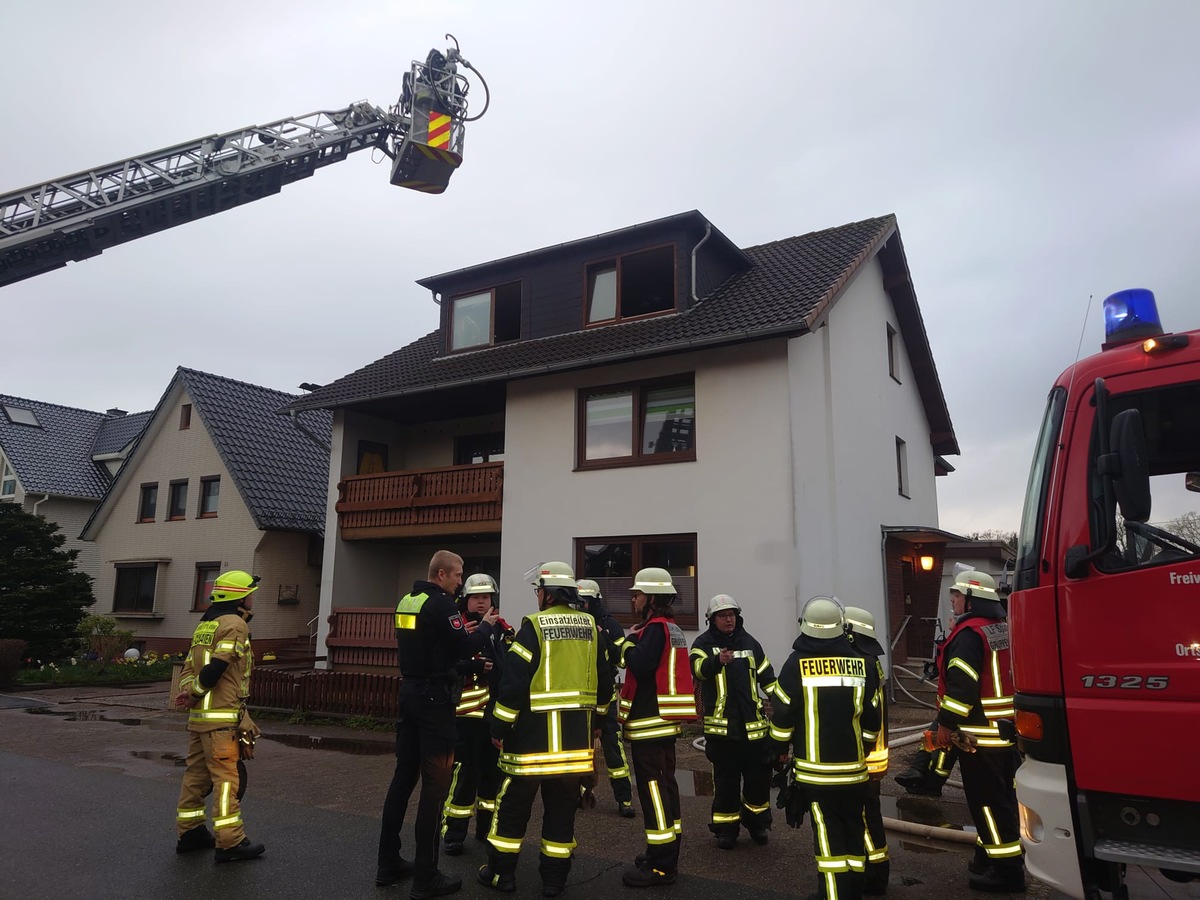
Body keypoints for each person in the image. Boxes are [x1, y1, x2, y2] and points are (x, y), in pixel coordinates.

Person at [478, 562, 612, 898]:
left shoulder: (534, 626)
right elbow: (605, 683)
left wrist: (499, 726)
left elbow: (513, 685)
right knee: (562, 814)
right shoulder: (592, 628)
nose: (538, 595)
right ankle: (554, 881)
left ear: (548, 593)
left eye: (539, 590)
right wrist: (597, 723)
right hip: (572, 747)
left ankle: (501, 876)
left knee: (511, 811)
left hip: (530, 744)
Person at [377, 550, 499, 900]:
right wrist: (487, 626)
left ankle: (388, 863)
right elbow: (466, 644)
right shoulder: (442, 604)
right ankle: (426, 877)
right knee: (435, 785)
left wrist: (466, 664)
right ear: (442, 573)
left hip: (411, 693)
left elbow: (434, 652)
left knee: (403, 779)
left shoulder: (407, 601)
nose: (461, 582)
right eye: (458, 575)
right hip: (434, 703)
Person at [770, 596, 881, 900]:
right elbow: (873, 718)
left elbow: (782, 715)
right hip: (855, 774)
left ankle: (833, 896)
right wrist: (866, 747)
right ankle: (852, 893)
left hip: (817, 778)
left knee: (829, 844)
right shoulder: (862, 664)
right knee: (853, 839)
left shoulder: (796, 664)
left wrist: (778, 749)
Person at [934, 570, 1024, 893]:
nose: (953, 601)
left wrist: (945, 724)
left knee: (987, 804)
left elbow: (961, 688)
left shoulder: (969, 635)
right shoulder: (1000, 628)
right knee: (1003, 800)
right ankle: (987, 857)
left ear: (972, 600)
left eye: (957, 596)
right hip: (1005, 732)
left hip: (978, 736)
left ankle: (1007, 871)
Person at [173, 570, 265, 862]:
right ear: (239, 596)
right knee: (227, 780)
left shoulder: (206, 625)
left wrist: (189, 694)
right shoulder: (235, 625)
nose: (253, 598)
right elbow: (217, 668)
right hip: (221, 720)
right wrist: (199, 691)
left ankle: (190, 833)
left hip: (200, 719)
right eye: (250, 593)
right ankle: (230, 842)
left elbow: (189, 667)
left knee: (195, 777)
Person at [617, 567, 697, 888]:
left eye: (637, 594)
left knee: (653, 792)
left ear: (651, 598)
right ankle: (663, 851)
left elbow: (641, 663)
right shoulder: (671, 628)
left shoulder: (654, 629)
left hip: (650, 724)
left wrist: (625, 643)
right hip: (664, 723)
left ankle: (662, 866)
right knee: (666, 788)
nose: (633, 598)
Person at [689, 594, 778, 850]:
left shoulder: (751, 643)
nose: (728, 619)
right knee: (726, 784)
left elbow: (768, 678)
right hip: (722, 731)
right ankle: (726, 830)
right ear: (712, 619)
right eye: (722, 616)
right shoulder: (703, 644)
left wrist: (783, 703)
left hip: (753, 730)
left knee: (758, 783)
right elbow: (696, 669)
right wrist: (716, 661)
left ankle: (757, 824)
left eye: (731, 615)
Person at [442, 574, 515, 856]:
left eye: (486, 597)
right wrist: (470, 666)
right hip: (466, 715)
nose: (482, 601)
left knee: (492, 776)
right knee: (464, 776)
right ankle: (454, 834)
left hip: (494, 714)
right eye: (476, 597)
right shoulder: (459, 627)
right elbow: (446, 663)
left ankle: (485, 830)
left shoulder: (503, 629)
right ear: (466, 600)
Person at [575, 578, 635, 818]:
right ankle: (580, 794)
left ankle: (624, 799)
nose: (582, 607)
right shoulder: (575, 625)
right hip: (580, 696)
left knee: (613, 748)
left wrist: (604, 638)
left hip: (605, 695)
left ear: (596, 602)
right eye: (579, 602)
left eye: (586, 602)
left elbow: (620, 659)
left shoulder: (611, 625)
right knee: (578, 747)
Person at [844, 606, 890, 896]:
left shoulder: (861, 663)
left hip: (865, 756)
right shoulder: (871, 661)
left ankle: (874, 876)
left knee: (864, 817)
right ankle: (876, 872)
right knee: (868, 815)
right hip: (875, 753)